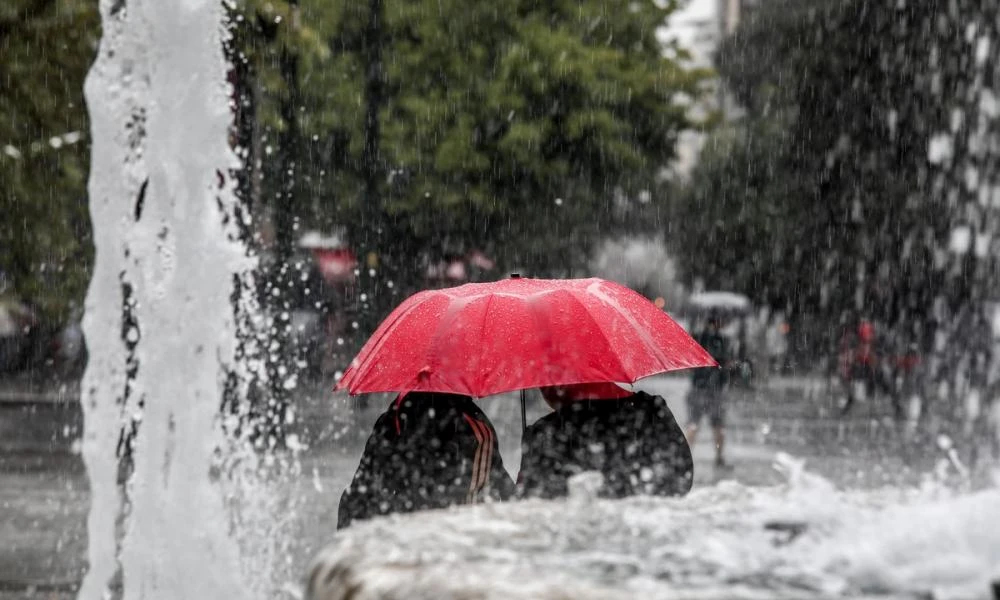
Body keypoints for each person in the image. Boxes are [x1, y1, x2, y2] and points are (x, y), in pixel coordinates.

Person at [337, 391, 515, 529]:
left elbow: (361, 493)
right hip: (455, 549)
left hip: (396, 546)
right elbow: (486, 491)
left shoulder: (392, 420)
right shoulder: (474, 428)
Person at [517, 382, 693, 500]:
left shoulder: (546, 433)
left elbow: (530, 501)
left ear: (556, 383)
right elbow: (681, 479)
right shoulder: (651, 411)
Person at [685, 313, 731, 469]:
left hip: (698, 387)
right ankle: (719, 458)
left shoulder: (697, 338)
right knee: (718, 425)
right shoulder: (723, 340)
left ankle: (685, 457)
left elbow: (690, 362)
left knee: (693, 423)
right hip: (716, 389)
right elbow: (726, 364)